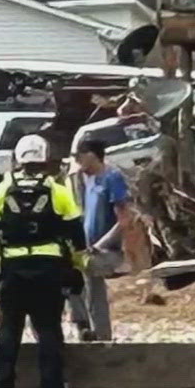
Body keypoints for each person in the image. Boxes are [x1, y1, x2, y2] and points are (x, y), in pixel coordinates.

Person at [0, 134, 86, 388]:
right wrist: (76, 269)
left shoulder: (1, 190)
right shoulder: (58, 191)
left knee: (8, 330)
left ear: (17, 160)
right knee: (49, 330)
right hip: (48, 271)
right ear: (45, 160)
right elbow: (77, 236)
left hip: (13, 271)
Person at [68, 138, 133, 342]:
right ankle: (94, 332)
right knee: (83, 284)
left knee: (77, 275)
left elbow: (124, 221)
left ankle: (87, 327)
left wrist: (99, 245)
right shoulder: (86, 179)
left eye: (80, 157)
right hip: (88, 248)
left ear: (92, 155)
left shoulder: (112, 178)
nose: (78, 162)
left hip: (108, 251)